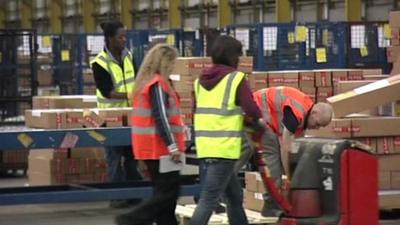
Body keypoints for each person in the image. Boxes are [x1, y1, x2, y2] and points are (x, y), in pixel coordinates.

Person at [189, 35, 264, 225]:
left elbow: (197, 112)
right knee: (209, 199)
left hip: (206, 147)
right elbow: (252, 110)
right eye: (239, 55)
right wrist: (256, 122)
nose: (239, 60)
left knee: (234, 196)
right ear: (232, 56)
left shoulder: (199, 81)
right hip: (224, 148)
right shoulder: (235, 79)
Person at [115, 44, 186, 225]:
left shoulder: (148, 83)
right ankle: (131, 219)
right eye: (172, 63)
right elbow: (160, 117)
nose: (173, 68)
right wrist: (173, 147)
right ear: (165, 63)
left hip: (155, 148)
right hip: (160, 149)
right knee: (168, 193)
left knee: (166, 197)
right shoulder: (157, 84)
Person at [241, 86, 333, 217]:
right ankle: (271, 205)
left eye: (320, 126)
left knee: (241, 155)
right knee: (272, 156)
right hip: (255, 113)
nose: (316, 128)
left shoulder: (305, 117)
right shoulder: (298, 112)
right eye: (317, 124)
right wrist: (289, 175)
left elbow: (294, 149)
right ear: (315, 113)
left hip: (257, 117)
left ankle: (224, 184)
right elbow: (285, 146)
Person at [91, 20, 141, 208]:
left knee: (131, 158)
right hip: (110, 118)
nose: (124, 40)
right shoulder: (99, 63)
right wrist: (129, 94)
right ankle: (118, 198)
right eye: (120, 37)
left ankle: (135, 194)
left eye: (125, 36)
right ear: (110, 39)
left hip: (130, 116)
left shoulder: (129, 56)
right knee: (114, 159)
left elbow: (137, 78)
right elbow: (106, 91)